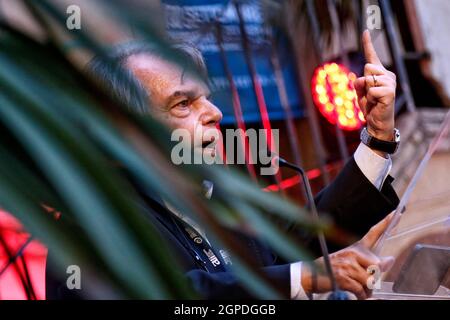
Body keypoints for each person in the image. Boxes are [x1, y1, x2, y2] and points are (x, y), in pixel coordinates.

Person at [47, 31, 400, 300]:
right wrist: (300, 278)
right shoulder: (91, 214)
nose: (215, 114)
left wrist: (377, 140)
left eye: (207, 98)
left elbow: (292, 250)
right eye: (183, 104)